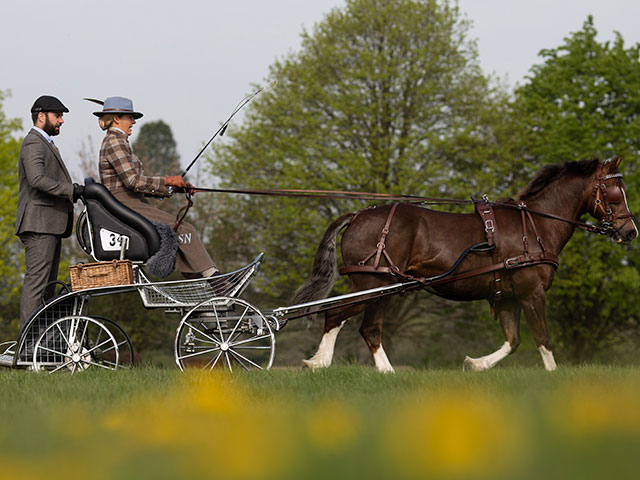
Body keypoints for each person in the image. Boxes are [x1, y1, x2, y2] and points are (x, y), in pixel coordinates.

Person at [94, 96, 219, 278]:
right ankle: (215, 279)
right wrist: (167, 181)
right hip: (125, 205)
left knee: (183, 230)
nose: (133, 122)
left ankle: (202, 280)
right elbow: (133, 182)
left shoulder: (117, 141)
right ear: (116, 119)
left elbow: (135, 183)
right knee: (185, 230)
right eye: (130, 118)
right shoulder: (115, 141)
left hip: (131, 202)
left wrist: (173, 189)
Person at [15, 95, 84, 328]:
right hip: (38, 223)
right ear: (41, 116)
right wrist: (71, 190)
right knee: (37, 285)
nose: (62, 121)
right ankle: (28, 347)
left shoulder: (45, 142)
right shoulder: (34, 142)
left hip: (49, 224)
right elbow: (37, 180)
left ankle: (41, 348)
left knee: (47, 288)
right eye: (58, 115)